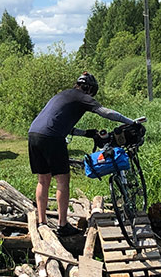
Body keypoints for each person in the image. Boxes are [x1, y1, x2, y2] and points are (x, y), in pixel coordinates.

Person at [28, 72, 140, 235]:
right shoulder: (82, 96)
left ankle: (42, 223)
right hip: (52, 137)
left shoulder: (63, 95)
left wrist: (87, 133)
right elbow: (106, 112)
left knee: (43, 179)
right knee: (62, 180)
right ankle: (63, 225)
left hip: (33, 134)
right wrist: (131, 122)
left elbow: (64, 126)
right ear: (89, 89)